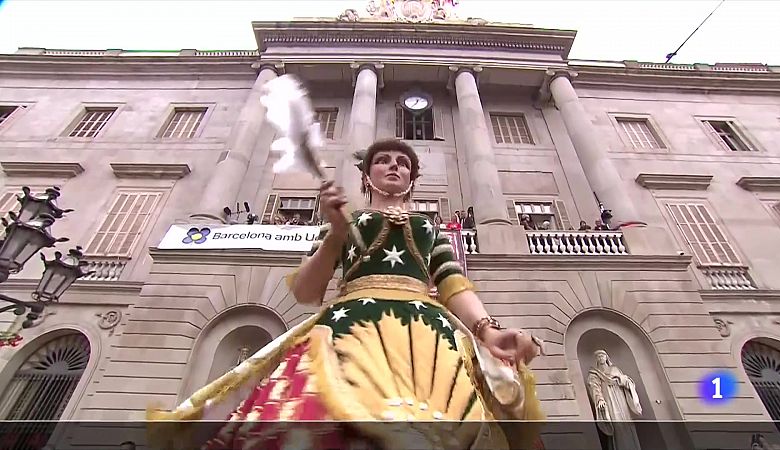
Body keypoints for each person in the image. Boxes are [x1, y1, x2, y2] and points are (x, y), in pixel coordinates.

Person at [148, 139, 544, 449]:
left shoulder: (430, 228)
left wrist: (488, 331)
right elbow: (307, 291)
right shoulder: (344, 222)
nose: (394, 166)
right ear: (366, 176)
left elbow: (452, 282)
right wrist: (336, 233)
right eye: (384, 160)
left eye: (403, 163)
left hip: (430, 336)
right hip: (350, 327)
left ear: (412, 180)